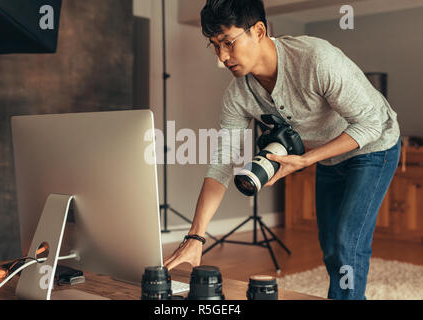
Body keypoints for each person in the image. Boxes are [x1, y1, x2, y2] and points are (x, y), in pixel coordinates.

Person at [164, 0, 401, 300]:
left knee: (347, 243)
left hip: (374, 145)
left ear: (259, 31)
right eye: (214, 46)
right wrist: (195, 237)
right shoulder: (238, 95)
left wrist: (305, 160)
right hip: (329, 156)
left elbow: (369, 124)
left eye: (228, 43)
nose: (222, 57)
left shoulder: (316, 59)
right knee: (330, 246)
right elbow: (223, 163)